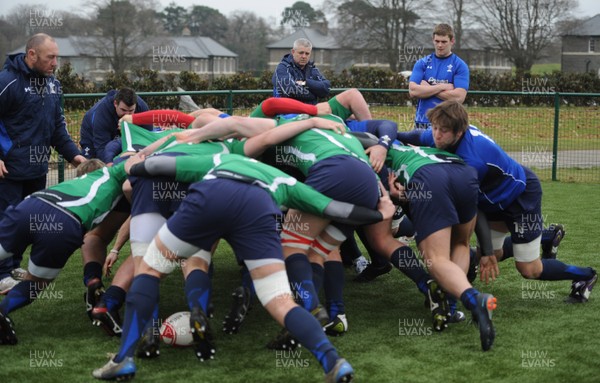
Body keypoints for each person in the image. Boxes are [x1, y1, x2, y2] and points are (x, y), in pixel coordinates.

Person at [91, 150, 394, 382]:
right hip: (259, 207)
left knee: (151, 269)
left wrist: (134, 166)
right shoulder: (286, 180)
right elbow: (336, 209)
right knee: (279, 301)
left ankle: (124, 359)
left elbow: (159, 166)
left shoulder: (220, 158)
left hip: (212, 196)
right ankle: (333, 360)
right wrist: (381, 212)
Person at [398, 100, 597, 303]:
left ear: (459, 133)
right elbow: (415, 136)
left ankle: (585, 275)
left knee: (529, 268)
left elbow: (474, 209)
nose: (436, 134)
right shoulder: (446, 134)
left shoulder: (472, 162)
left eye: (443, 130)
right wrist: (385, 139)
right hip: (493, 198)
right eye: (434, 127)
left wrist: (486, 252)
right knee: (494, 253)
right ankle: (546, 236)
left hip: (520, 198)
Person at [0, 158, 130, 345]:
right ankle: (3, 309)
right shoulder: (117, 183)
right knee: (35, 284)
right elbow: (96, 238)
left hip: (33, 204)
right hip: (64, 221)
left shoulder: (78, 181)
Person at [0, 33, 86, 294]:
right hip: (9, 170)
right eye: (51, 57)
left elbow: (57, 128)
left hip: (36, 170)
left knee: (27, 224)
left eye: (57, 57)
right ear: (32, 55)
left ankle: (13, 267)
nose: (55, 63)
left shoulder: (53, 85)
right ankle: (1, 274)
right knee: (6, 222)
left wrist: (76, 156)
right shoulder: (7, 82)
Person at [408, 24, 469, 129]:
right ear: (433, 40)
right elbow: (413, 91)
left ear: (452, 41)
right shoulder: (422, 63)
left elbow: (459, 97)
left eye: (444, 42)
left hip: (448, 124)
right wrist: (442, 87)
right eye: (437, 41)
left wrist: (427, 88)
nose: (440, 45)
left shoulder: (460, 65)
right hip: (422, 123)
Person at [79, 87, 150, 163]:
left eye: (131, 111)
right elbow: (101, 148)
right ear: (115, 103)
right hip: (91, 133)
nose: (127, 114)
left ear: (136, 105)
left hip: (117, 133)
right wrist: (109, 166)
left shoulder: (142, 108)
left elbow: (147, 137)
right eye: (123, 110)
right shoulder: (102, 113)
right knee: (90, 163)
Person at [272, 38, 331, 105]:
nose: (304, 56)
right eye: (301, 53)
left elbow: (326, 88)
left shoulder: (312, 69)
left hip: (310, 111)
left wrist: (306, 83)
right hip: (288, 112)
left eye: (307, 53)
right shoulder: (282, 68)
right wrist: (314, 95)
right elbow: (289, 90)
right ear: (293, 52)